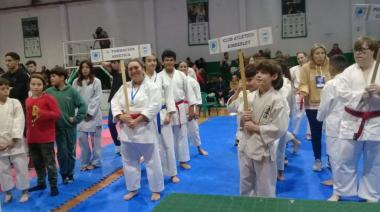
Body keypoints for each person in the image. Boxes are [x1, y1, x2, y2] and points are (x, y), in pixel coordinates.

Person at [332, 36, 380, 202]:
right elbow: (342, 94)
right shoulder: (349, 71)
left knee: (374, 162)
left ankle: (371, 194)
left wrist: (379, 90)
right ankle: (340, 191)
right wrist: (362, 94)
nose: (358, 53)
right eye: (356, 50)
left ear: (373, 51)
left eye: (363, 50)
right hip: (352, 121)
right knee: (344, 159)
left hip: (376, 122)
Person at [111, 59, 164, 201]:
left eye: (136, 67)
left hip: (144, 128)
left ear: (142, 68)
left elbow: (155, 105)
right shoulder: (124, 87)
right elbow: (114, 102)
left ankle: (156, 189)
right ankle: (133, 188)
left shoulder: (152, 87)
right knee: (128, 161)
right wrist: (121, 116)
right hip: (127, 130)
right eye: (130, 69)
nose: (133, 71)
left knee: (152, 161)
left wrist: (138, 119)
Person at [240, 60, 289, 197]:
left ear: (274, 77)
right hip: (246, 146)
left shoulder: (277, 100)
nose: (259, 75)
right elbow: (240, 123)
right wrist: (243, 118)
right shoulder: (249, 97)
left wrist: (256, 127)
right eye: (257, 72)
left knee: (265, 189)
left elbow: (280, 128)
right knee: (246, 185)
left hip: (263, 149)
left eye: (264, 72)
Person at [46, 66, 87, 184]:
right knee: (62, 153)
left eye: (54, 76)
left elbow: (83, 106)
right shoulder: (48, 92)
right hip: (57, 129)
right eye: (50, 76)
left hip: (70, 128)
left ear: (62, 77)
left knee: (71, 152)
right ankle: (64, 174)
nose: (51, 78)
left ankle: (70, 173)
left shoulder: (72, 91)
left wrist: (76, 118)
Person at [316, 55, 350, 197]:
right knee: (349, 157)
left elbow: (323, 108)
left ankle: (338, 189)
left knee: (335, 157)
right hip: (351, 124)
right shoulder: (353, 82)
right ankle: (344, 183)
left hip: (335, 125)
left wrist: (319, 118)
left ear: (332, 67)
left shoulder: (331, 84)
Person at [158, 50, 197, 171]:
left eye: (171, 60)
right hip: (165, 111)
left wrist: (191, 109)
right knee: (166, 138)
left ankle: (183, 160)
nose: (169, 62)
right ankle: (168, 163)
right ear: (163, 62)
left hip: (180, 108)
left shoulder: (181, 75)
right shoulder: (159, 76)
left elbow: (189, 93)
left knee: (182, 135)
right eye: (166, 60)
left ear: (174, 61)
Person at [144, 55, 179, 183]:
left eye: (154, 60)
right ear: (145, 63)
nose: (152, 62)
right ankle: (155, 175)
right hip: (147, 117)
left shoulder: (162, 77)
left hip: (163, 114)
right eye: (149, 61)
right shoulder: (141, 78)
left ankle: (172, 173)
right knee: (152, 147)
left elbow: (169, 96)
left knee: (168, 145)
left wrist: (170, 114)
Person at [26, 74, 60, 196]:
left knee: (49, 163)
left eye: (39, 84)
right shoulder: (28, 100)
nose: (36, 87)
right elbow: (29, 120)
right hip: (32, 137)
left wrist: (41, 113)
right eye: (33, 84)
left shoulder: (48, 99)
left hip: (46, 137)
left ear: (43, 85)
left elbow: (57, 114)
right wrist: (27, 134)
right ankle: (41, 182)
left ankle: (53, 185)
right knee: (37, 162)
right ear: (29, 85)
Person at [299, 44, 331, 171]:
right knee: (316, 134)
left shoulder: (330, 65)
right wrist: (304, 91)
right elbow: (303, 84)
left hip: (330, 105)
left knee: (331, 134)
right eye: (317, 53)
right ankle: (318, 159)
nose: (320, 55)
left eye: (322, 53)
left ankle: (331, 159)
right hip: (312, 106)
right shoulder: (306, 68)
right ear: (312, 55)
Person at [0, 78, 29, 203]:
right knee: (2, 170)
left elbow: (19, 120)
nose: (6, 91)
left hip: (15, 142)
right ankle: (7, 192)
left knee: (21, 168)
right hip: (0, 144)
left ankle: (24, 191)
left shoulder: (15, 102)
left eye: (8, 88)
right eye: (2, 89)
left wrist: (15, 139)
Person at [72, 61, 103, 171]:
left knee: (96, 141)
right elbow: (74, 98)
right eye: (83, 67)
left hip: (94, 115)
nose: (85, 69)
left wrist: (89, 112)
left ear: (91, 69)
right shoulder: (76, 82)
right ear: (80, 69)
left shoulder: (96, 81)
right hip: (80, 115)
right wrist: (81, 113)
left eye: (87, 67)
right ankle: (84, 162)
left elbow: (97, 97)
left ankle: (96, 161)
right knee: (82, 140)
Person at [178, 61, 208, 156]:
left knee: (194, 130)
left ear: (188, 69)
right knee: (180, 132)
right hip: (179, 108)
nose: (183, 68)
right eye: (181, 67)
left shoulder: (193, 82)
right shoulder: (175, 81)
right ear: (178, 69)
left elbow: (198, 97)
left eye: (184, 66)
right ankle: (181, 153)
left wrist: (197, 111)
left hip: (191, 106)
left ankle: (199, 148)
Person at [227, 64, 258, 147]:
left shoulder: (263, 94)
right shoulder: (243, 94)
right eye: (245, 80)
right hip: (242, 136)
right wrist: (238, 90)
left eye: (250, 80)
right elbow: (230, 108)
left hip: (257, 136)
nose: (247, 83)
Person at [103, 60, 126, 155]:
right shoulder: (114, 73)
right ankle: (117, 145)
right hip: (114, 102)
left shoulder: (127, 73)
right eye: (112, 63)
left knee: (124, 125)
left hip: (124, 102)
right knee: (110, 124)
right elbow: (103, 63)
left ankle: (125, 145)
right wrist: (112, 62)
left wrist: (119, 62)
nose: (112, 65)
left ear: (119, 63)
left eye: (114, 63)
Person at [289, 52, 311, 140]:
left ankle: (309, 133)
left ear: (306, 57)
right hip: (299, 94)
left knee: (310, 115)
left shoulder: (312, 68)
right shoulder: (293, 69)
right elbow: (289, 81)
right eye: (298, 58)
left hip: (310, 94)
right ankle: (294, 132)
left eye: (302, 58)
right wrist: (294, 90)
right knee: (297, 115)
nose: (300, 60)